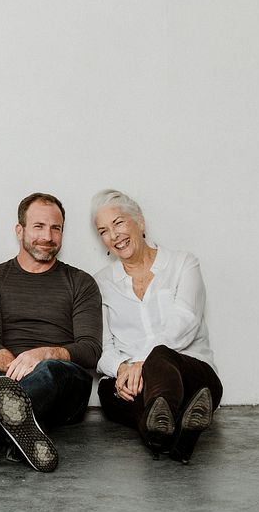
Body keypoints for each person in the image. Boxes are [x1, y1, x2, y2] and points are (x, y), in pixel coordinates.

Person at [0, 193, 101, 472]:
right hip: (8, 376)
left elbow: (90, 349)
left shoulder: (80, 282)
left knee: (50, 368)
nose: (48, 236)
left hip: (67, 387)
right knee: (1, 383)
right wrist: (16, 367)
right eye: (38, 226)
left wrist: (45, 355)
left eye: (56, 228)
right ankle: (16, 434)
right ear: (20, 230)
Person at [91, 189, 223, 463]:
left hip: (192, 375)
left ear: (139, 221)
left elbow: (184, 322)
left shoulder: (183, 263)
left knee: (160, 357)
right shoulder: (101, 283)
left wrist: (143, 363)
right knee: (108, 390)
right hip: (135, 382)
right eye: (104, 230)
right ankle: (178, 435)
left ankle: (157, 434)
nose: (113, 235)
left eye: (118, 223)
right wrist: (123, 369)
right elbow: (101, 348)